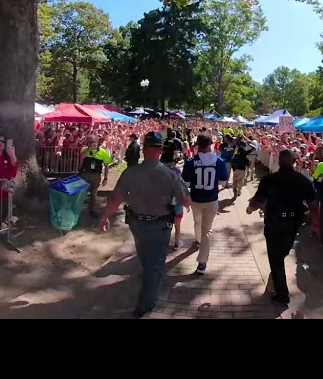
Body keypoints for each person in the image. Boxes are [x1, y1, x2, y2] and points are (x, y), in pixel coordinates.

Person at [98, 131, 191, 318]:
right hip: (160, 225)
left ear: (144, 149)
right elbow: (186, 201)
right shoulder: (170, 174)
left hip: (137, 224)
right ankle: (145, 304)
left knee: (145, 254)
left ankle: (148, 281)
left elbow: (116, 199)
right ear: (160, 150)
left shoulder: (130, 172)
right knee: (155, 265)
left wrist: (104, 217)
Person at [246, 149, 319, 305]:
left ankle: (282, 295)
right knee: (281, 253)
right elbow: (313, 204)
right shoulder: (302, 180)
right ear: (293, 162)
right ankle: (279, 287)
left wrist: (250, 208)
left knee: (276, 257)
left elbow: (257, 201)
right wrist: (316, 225)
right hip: (292, 224)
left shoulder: (269, 179)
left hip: (274, 223)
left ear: (278, 161)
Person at [181, 133, 228, 274]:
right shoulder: (219, 162)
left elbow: (186, 183)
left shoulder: (190, 162)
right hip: (212, 199)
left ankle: (198, 241)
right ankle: (202, 262)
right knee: (206, 230)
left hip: (196, 199)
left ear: (198, 145)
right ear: (210, 145)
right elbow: (222, 181)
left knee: (197, 222)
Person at [79, 135, 112, 217]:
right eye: (89, 142)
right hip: (85, 174)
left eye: (92, 142)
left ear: (97, 142)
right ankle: (79, 210)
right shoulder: (84, 149)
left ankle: (92, 210)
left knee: (93, 194)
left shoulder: (103, 152)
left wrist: (105, 178)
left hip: (96, 175)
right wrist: (89, 149)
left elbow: (106, 166)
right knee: (82, 192)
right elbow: (81, 157)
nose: (90, 144)